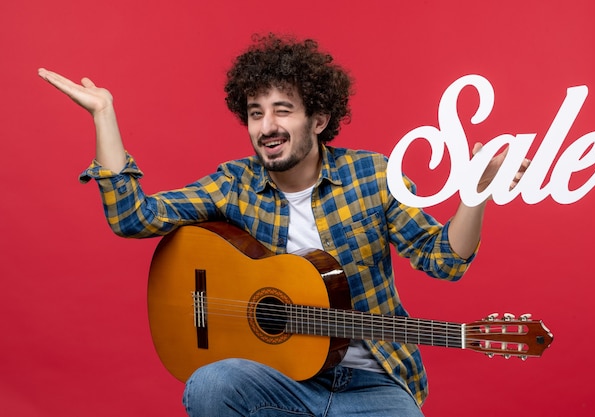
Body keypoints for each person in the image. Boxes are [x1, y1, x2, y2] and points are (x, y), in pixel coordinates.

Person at [38, 33, 528, 417]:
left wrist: (476, 192)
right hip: (277, 378)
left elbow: (444, 262)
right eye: (255, 113)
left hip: (373, 381)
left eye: (282, 110)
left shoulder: (374, 176)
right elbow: (133, 217)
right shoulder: (235, 184)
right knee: (211, 384)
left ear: (318, 119)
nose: (266, 126)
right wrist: (104, 114)